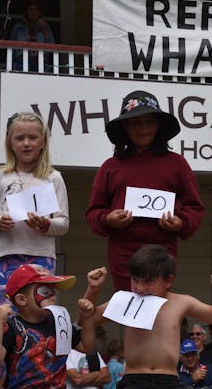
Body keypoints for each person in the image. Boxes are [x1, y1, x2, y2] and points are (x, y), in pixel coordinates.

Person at [88, 244, 212, 389]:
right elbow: (89, 319)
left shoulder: (180, 302)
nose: (139, 288)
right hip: (134, 383)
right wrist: (93, 290)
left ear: (168, 281)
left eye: (148, 281)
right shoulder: (125, 299)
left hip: (169, 383)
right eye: (135, 280)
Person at [0, 111, 69, 389]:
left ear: (43, 142)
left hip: (41, 260)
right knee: (5, 318)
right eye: (20, 138)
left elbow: (63, 223)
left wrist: (45, 224)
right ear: (10, 142)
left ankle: (45, 380)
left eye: (32, 137)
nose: (27, 143)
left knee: (42, 318)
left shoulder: (53, 178)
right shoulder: (0, 175)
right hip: (8, 257)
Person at [86, 91, 204, 292]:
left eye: (149, 121)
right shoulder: (110, 167)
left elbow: (195, 208)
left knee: (158, 309)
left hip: (162, 251)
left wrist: (180, 222)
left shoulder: (177, 164)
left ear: (158, 125)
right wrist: (108, 219)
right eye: (135, 123)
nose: (143, 128)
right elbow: (93, 212)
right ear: (125, 127)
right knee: (128, 306)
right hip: (123, 252)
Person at [0, 264, 95, 389]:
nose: (53, 297)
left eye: (53, 292)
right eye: (44, 292)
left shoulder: (59, 322)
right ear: (21, 300)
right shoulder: (12, 327)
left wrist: (88, 319)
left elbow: (86, 346)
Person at [9, 0, 55, 72]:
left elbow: (52, 48)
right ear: (26, 11)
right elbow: (11, 49)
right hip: (21, 63)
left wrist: (45, 30)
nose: (33, 12)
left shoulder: (45, 27)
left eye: (36, 9)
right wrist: (10, 69)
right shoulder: (18, 28)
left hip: (41, 64)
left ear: (39, 12)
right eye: (30, 9)